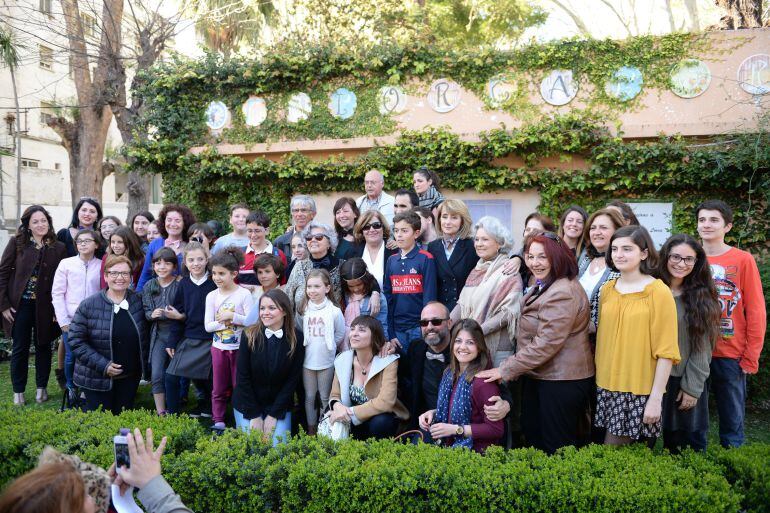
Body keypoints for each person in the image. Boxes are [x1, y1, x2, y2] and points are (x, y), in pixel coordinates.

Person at [477, 232, 594, 454]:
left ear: (557, 257)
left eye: (543, 257)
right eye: (530, 256)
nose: (535, 263)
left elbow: (546, 343)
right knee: (535, 439)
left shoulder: (563, 291)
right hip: (542, 376)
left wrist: (505, 369)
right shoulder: (547, 284)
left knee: (555, 447)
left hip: (561, 380)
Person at [594, 225, 680, 446]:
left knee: (614, 457)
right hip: (605, 385)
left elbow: (667, 352)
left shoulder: (659, 292)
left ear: (643, 253)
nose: (619, 255)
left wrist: (655, 399)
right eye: (614, 249)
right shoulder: (607, 289)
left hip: (637, 390)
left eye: (627, 249)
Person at [695, 199, 766, 448]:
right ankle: (694, 459)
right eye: (702, 219)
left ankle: (733, 462)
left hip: (730, 352)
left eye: (714, 220)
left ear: (728, 226)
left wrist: (752, 355)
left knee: (732, 420)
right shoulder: (689, 256)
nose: (707, 224)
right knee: (693, 417)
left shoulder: (743, 260)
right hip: (694, 350)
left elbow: (756, 309)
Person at [658, 234, 721, 453]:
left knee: (680, 449)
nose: (681, 264)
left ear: (696, 263)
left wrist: (692, 388)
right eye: (675, 256)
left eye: (688, 259)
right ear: (665, 256)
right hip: (651, 376)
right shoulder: (652, 288)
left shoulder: (702, 297)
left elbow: (703, 347)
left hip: (682, 378)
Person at [0, 205, 66, 405]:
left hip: (46, 307)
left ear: (49, 222)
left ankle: (41, 389)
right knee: (20, 348)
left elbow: (62, 281)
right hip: (20, 305)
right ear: (28, 225)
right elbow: (2, 274)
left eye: (43, 221)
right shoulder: (17, 243)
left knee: (44, 346)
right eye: (35, 221)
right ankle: (18, 392)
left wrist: (58, 310)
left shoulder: (58, 247)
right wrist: (3, 305)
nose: (40, 225)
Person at [69, 255, 149, 415]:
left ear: (131, 277)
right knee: (100, 425)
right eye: (114, 273)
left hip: (130, 378)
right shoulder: (89, 305)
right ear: (105, 276)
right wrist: (103, 365)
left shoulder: (138, 302)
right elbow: (76, 341)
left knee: (123, 423)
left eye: (125, 273)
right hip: (97, 379)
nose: (120, 277)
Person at [419, 319, 504, 452]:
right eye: (458, 341)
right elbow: (454, 408)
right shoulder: (449, 373)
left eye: (470, 342)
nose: (462, 347)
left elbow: (496, 429)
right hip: (448, 445)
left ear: (479, 347)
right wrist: (433, 413)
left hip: (474, 453)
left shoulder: (482, 382)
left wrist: (457, 429)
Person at [233, 289, 305, 446]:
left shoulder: (297, 338)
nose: (265, 312)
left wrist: (273, 415)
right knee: (253, 449)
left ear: (284, 311)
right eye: (262, 308)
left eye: (272, 308)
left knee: (278, 452)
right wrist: (254, 415)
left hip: (278, 405)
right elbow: (242, 377)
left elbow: (292, 381)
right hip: (248, 403)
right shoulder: (249, 335)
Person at [450, 216, 522, 367]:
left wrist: (477, 331)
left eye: (485, 239)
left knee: (493, 390)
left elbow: (509, 313)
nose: (479, 244)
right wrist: (447, 325)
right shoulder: (476, 270)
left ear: (499, 243)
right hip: (471, 344)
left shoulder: (509, 270)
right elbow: (462, 304)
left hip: (497, 349)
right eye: (476, 240)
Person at [329, 315, 409, 439]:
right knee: (332, 417)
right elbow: (335, 395)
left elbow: (386, 402)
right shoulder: (342, 359)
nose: (354, 334)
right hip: (351, 420)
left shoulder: (388, 361)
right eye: (352, 329)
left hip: (378, 419)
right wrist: (338, 408)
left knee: (381, 423)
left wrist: (349, 413)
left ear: (375, 337)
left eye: (361, 330)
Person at [164, 242, 216, 416]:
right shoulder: (183, 284)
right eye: (191, 260)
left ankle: (210, 408)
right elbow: (177, 315)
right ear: (185, 262)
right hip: (190, 337)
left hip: (211, 338)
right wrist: (172, 341)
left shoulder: (214, 282)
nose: (196, 263)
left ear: (207, 259)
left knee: (207, 379)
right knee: (171, 377)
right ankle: (172, 415)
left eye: (200, 259)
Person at [205, 247, 254, 431]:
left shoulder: (244, 294)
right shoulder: (211, 296)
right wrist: (224, 323)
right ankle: (218, 419)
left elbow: (251, 322)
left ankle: (241, 418)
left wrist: (232, 316)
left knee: (238, 385)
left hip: (240, 349)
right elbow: (208, 326)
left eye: (221, 274)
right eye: (214, 273)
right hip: (218, 348)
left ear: (234, 274)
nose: (216, 277)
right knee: (218, 386)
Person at [52, 229, 102, 395]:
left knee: (91, 355)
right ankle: (71, 388)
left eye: (87, 240)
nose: (83, 244)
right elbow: (57, 293)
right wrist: (63, 321)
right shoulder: (66, 264)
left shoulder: (102, 265)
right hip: (71, 319)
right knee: (71, 356)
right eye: (79, 241)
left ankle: (87, 388)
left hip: (95, 319)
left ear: (96, 244)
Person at [297, 269, 345, 434]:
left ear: (327, 288)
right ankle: (311, 429)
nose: (312, 290)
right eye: (309, 286)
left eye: (317, 286)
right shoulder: (304, 309)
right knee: (310, 397)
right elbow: (299, 331)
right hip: (307, 363)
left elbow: (340, 333)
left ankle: (325, 428)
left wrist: (328, 346)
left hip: (326, 362)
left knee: (325, 397)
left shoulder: (334, 311)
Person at [384, 210, 437, 354]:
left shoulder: (426, 259)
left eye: (404, 231)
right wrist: (391, 332)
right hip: (397, 330)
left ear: (416, 233)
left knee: (417, 370)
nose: (399, 235)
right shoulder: (391, 261)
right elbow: (388, 299)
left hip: (418, 329)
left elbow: (429, 299)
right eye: (396, 231)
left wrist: (425, 327)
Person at [142, 247, 182, 416]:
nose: (162, 267)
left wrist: (177, 315)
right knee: (157, 373)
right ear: (153, 266)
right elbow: (146, 311)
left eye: (167, 263)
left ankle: (177, 405)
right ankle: (161, 411)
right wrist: (152, 314)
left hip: (178, 334)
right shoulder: (149, 285)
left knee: (175, 373)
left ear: (174, 266)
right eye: (158, 263)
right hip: (158, 334)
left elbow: (186, 310)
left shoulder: (180, 283)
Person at [577, 208, 625, 333]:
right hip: (579, 339)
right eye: (593, 228)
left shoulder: (622, 264)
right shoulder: (585, 257)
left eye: (603, 227)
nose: (597, 232)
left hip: (606, 337)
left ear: (617, 231)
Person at [427, 199, 477, 312]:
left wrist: (516, 259)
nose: (447, 222)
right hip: (440, 312)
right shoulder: (432, 247)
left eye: (454, 217)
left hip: (464, 310)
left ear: (462, 221)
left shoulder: (472, 246)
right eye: (444, 216)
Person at [284, 222, 344, 310]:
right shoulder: (299, 266)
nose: (313, 240)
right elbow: (287, 300)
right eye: (309, 238)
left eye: (319, 237)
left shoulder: (342, 266)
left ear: (329, 242)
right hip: (301, 322)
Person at [137, 204, 197, 291]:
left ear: (185, 223)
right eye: (169, 220)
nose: (172, 224)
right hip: (158, 296)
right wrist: (138, 297)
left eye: (177, 220)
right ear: (163, 222)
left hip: (185, 295)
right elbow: (146, 274)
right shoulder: (154, 244)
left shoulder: (191, 245)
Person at [340, 258, 389, 342]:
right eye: (351, 286)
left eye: (359, 284)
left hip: (370, 344)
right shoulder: (346, 295)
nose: (355, 289)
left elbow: (382, 325)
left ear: (365, 279)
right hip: (347, 343)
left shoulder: (377, 298)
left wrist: (384, 343)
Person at [238, 211, 287, 287]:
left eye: (257, 231)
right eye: (249, 231)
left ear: (267, 231)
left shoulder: (278, 254)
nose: (253, 235)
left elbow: (283, 284)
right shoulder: (239, 254)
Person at [350, 210, 395, 289]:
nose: (371, 230)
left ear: (383, 227)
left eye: (376, 225)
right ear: (361, 231)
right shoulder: (353, 252)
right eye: (366, 227)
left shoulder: (394, 251)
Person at [274, 194, 316, 259]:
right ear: (292, 214)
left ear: (313, 214)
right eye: (296, 210)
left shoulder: (321, 239)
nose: (299, 214)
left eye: (304, 210)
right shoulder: (280, 242)